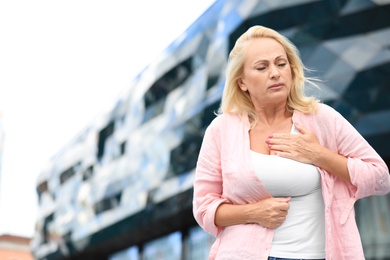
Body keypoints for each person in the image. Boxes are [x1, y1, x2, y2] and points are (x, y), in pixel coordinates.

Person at [192, 25, 390, 260]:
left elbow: (380, 178)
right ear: (242, 82)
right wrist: (253, 212)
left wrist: (318, 155)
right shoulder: (221, 129)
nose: (275, 73)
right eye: (262, 67)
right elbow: (204, 208)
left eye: (281, 63)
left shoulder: (321, 118)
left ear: (292, 70)